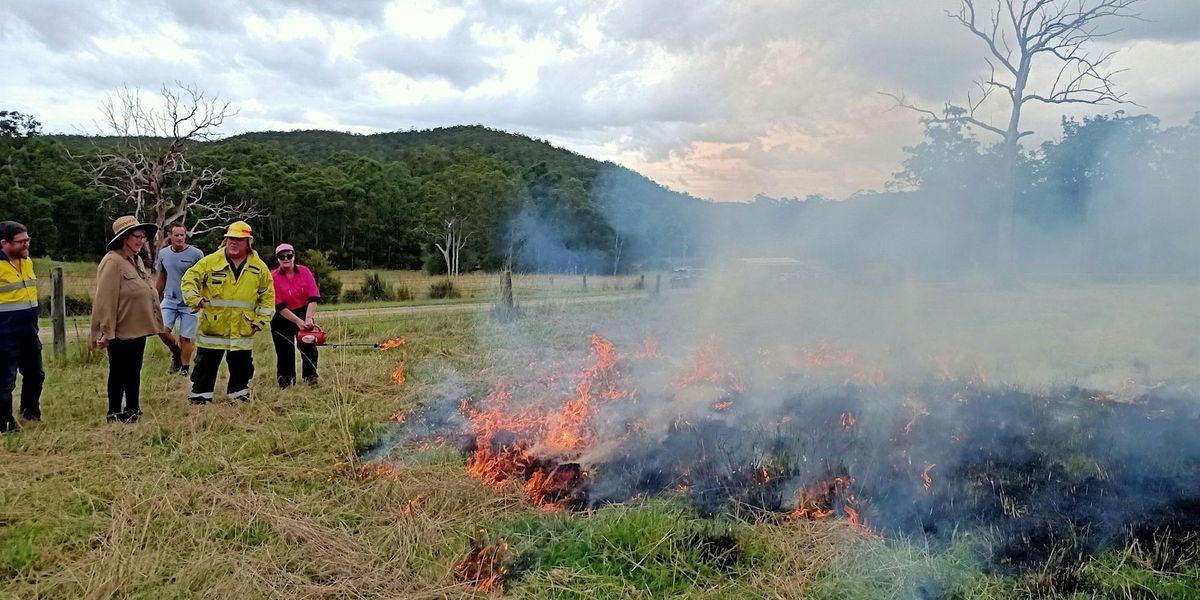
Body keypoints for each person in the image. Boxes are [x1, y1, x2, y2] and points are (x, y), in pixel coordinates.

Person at [181, 221, 274, 404]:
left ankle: (238, 395)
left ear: (248, 241)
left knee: (242, 366)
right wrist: (195, 300)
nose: (233, 242)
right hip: (213, 328)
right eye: (230, 238)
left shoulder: (259, 267)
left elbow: (268, 296)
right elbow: (189, 280)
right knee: (205, 365)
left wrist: (260, 321)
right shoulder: (210, 261)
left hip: (243, 328)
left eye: (239, 239)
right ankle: (200, 397)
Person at [90, 216, 166, 423]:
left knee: (134, 371)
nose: (140, 241)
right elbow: (105, 299)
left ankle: (133, 409)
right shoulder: (112, 261)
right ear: (124, 238)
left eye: (143, 237)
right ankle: (114, 412)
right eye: (136, 236)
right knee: (118, 372)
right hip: (120, 330)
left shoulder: (136, 260)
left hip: (138, 328)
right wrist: (106, 331)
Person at [0, 221, 44, 433]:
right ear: (4, 243)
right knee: (5, 381)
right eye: (21, 242)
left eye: (28, 240)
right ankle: (5, 423)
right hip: (5, 334)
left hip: (29, 331)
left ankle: (30, 412)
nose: (27, 244)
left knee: (36, 374)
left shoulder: (27, 262)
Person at [154, 223, 204, 375]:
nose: (180, 238)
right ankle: (176, 352)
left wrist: (199, 300)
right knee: (160, 328)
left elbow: (204, 278)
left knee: (186, 337)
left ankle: (184, 368)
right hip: (170, 299)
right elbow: (162, 276)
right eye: (177, 235)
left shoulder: (196, 254)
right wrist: (155, 297)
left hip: (189, 302)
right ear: (170, 236)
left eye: (182, 235)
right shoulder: (163, 254)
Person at [269, 243, 321, 387]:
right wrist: (298, 321)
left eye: (289, 255)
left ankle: (310, 377)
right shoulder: (272, 277)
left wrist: (308, 319)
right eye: (282, 256)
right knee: (285, 350)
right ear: (277, 258)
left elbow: (314, 297)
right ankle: (286, 381)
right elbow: (278, 305)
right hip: (282, 317)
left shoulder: (305, 272)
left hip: (305, 311)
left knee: (309, 347)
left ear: (294, 256)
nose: (286, 258)